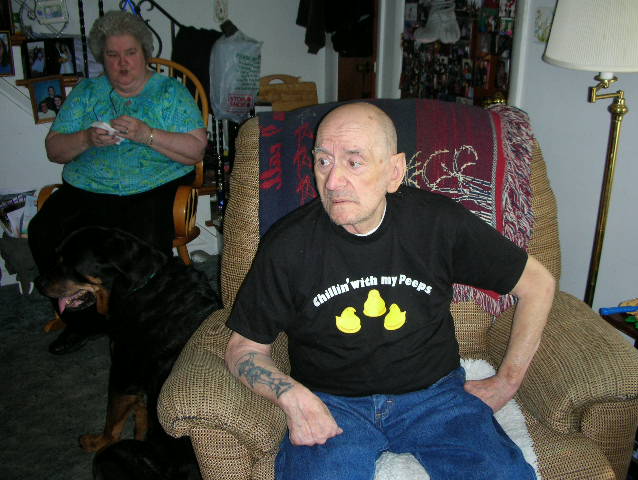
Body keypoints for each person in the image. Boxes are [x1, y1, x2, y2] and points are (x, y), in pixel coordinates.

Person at [224, 102, 555, 480]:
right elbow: (243, 348)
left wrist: (506, 382)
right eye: (323, 161)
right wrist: (290, 394)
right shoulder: (288, 244)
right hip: (332, 404)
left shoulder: (436, 223)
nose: (332, 182)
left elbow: (538, 284)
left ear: (394, 172)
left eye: (354, 162)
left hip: (436, 397)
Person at [28, 10, 207, 355]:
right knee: (44, 231)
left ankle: (141, 323)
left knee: (142, 248)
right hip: (87, 189)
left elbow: (196, 150)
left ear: (144, 53)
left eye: (130, 53)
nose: (122, 63)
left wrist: (147, 134)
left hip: (150, 187)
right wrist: (86, 138)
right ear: (102, 58)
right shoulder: (87, 92)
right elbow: (54, 149)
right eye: (112, 55)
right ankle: (81, 321)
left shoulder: (169, 92)